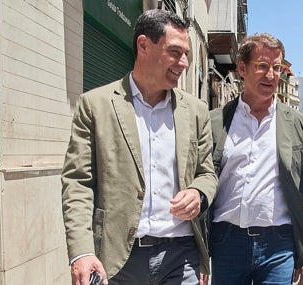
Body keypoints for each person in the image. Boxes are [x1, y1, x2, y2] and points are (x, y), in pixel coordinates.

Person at [61, 9, 217, 285]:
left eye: (187, 55)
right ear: (143, 45)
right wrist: (82, 252)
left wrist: (198, 192)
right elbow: (78, 182)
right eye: (175, 52)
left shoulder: (196, 110)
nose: (184, 63)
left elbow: (207, 172)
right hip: (118, 257)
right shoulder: (95, 105)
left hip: (181, 253)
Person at [209, 33, 303, 285]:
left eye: (276, 67)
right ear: (241, 68)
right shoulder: (215, 122)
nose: (271, 75)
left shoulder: (299, 124)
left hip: (278, 244)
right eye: (262, 66)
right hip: (226, 242)